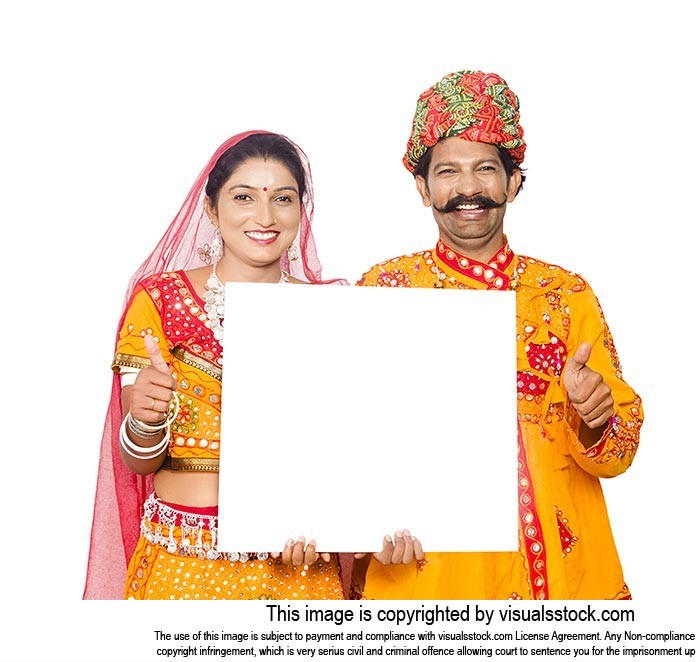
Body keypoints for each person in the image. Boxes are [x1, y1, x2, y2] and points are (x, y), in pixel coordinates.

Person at [355, 71, 644, 600]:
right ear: (423, 187)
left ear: (512, 182)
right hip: (431, 584)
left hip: (568, 581)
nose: (468, 188)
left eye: (485, 168)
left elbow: (618, 454)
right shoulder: (384, 289)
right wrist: (360, 523)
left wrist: (596, 418)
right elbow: (344, 438)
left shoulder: (564, 293)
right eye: (448, 171)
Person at [84, 131, 346, 599]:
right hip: (182, 562)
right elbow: (137, 463)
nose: (264, 217)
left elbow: (351, 454)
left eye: (282, 198)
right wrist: (144, 419)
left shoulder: (331, 314)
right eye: (244, 197)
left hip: (297, 571)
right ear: (211, 208)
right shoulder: (161, 302)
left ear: (300, 211)